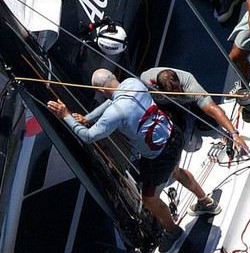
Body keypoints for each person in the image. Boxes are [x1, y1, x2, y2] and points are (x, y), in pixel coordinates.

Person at [45, 66, 222, 237]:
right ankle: (205, 201)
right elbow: (112, 100)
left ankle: (172, 232)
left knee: (149, 199)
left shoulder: (114, 113)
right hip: (173, 136)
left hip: (160, 156)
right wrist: (87, 118)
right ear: (115, 78)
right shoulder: (133, 83)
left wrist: (66, 115)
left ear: (99, 90)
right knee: (175, 171)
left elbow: (88, 136)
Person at [142, 66, 250, 160]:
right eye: (172, 94)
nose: (175, 96)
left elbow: (213, 109)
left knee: (209, 119)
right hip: (165, 106)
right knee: (174, 132)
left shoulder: (190, 85)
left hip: (187, 101)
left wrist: (234, 134)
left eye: (177, 92)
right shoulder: (145, 81)